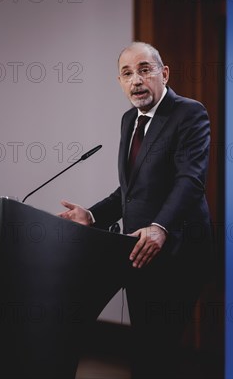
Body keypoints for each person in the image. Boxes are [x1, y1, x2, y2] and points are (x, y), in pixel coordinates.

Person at [59, 42, 213, 378]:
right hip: (136, 250)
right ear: (119, 81)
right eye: (127, 73)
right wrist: (92, 216)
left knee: (158, 349)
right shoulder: (129, 119)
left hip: (177, 249)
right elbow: (128, 193)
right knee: (143, 348)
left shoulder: (189, 113)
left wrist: (160, 227)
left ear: (164, 73)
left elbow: (190, 181)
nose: (136, 80)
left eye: (144, 69)